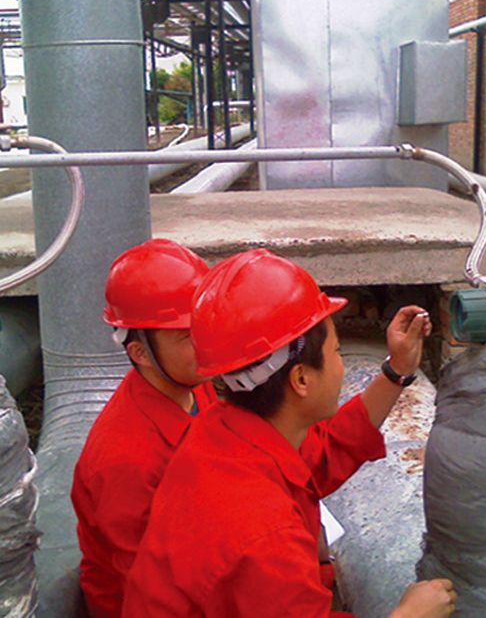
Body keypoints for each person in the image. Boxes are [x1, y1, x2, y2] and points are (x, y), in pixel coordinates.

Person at [123, 248, 456, 618]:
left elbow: (328, 448)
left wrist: (397, 370)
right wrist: (410, 614)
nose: (342, 366)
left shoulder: (222, 431)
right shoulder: (266, 536)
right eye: (337, 351)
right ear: (301, 379)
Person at [70, 238, 219, 618]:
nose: (208, 342)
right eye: (188, 335)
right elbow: (152, 592)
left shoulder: (190, 381)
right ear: (140, 353)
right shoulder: (127, 462)